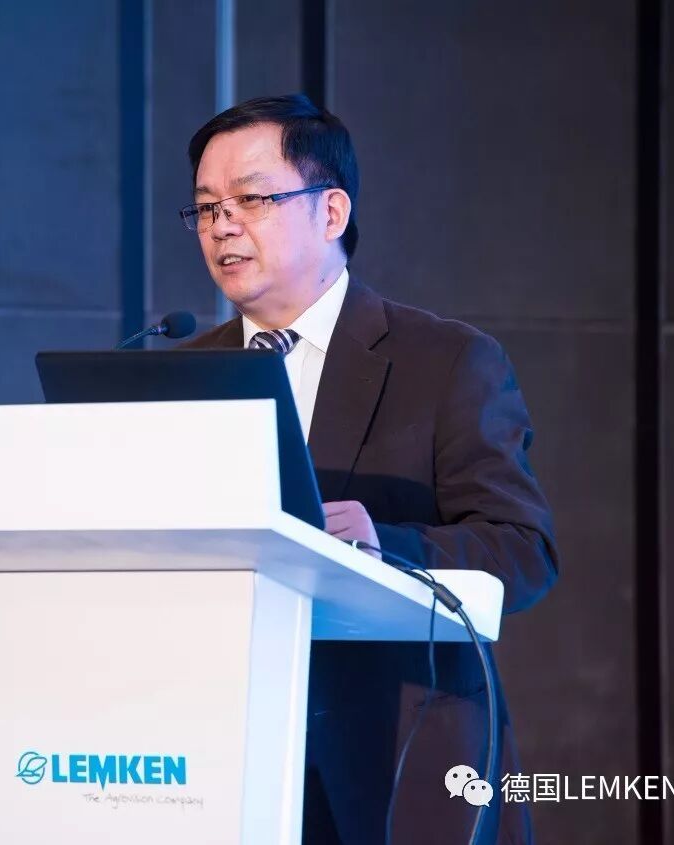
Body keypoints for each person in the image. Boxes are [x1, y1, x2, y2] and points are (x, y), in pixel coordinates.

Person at [179, 94, 559, 844]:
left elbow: (524, 551)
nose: (222, 225)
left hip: (396, 757)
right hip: (220, 757)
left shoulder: (446, 361)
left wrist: (388, 547)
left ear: (331, 211)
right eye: (206, 207)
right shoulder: (184, 375)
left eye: (251, 199)